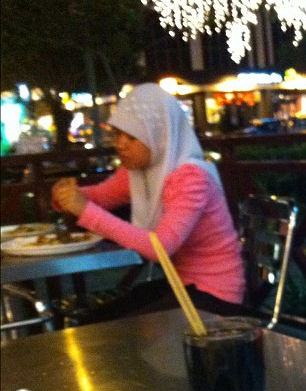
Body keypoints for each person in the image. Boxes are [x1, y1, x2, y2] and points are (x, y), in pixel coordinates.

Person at [52, 83, 246, 321]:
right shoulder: (141, 170)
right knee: (92, 321)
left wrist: (83, 209)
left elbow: (160, 247)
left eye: (132, 136)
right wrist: (67, 195)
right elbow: (102, 196)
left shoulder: (191, 178)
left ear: (158, 136)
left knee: (107, 331)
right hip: (181, 285)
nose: (120, 144)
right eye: (117, 134)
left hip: (215, 296)